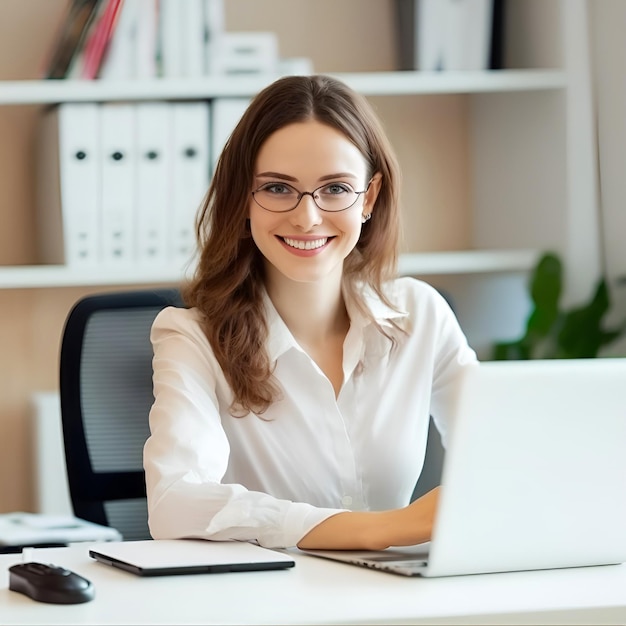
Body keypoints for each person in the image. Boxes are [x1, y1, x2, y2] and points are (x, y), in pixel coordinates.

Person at [143, 74, 477, 551]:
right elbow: (175, 501)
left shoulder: (419, 315)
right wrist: (387, 528)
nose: (307, 217)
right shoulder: (191, 338)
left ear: (370, 198)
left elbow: (503, 460)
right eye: (278, 188)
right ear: (243, 198)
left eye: (336, 188)